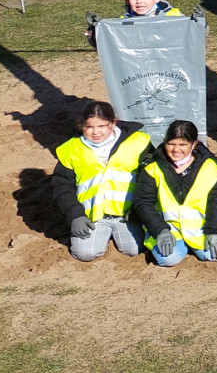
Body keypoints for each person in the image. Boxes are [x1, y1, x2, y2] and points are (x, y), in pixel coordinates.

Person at [137, 120, 217, 266]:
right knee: (166, 259)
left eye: (183, 145)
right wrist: (160, 231)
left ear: (194, 144)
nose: (176, 150)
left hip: (202, 228)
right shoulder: (152, 167)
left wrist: (213, 231)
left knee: (211, 255)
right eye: (171, 144)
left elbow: (215, 200)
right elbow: (143, 202)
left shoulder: (210, 166)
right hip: (170, 228)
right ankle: (183, 246)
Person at [52, 101, 154, 261]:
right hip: (91, 215)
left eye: (102, 126)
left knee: (134, 249)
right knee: (85, 254)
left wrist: (138, 211)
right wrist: (76, 216)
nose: (95, 132)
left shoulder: (139, 142)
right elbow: (62, 187)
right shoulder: (70, 149)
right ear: (81, 125)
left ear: (113, 123)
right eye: (89, 127)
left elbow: (149, 180)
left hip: (127, 215)